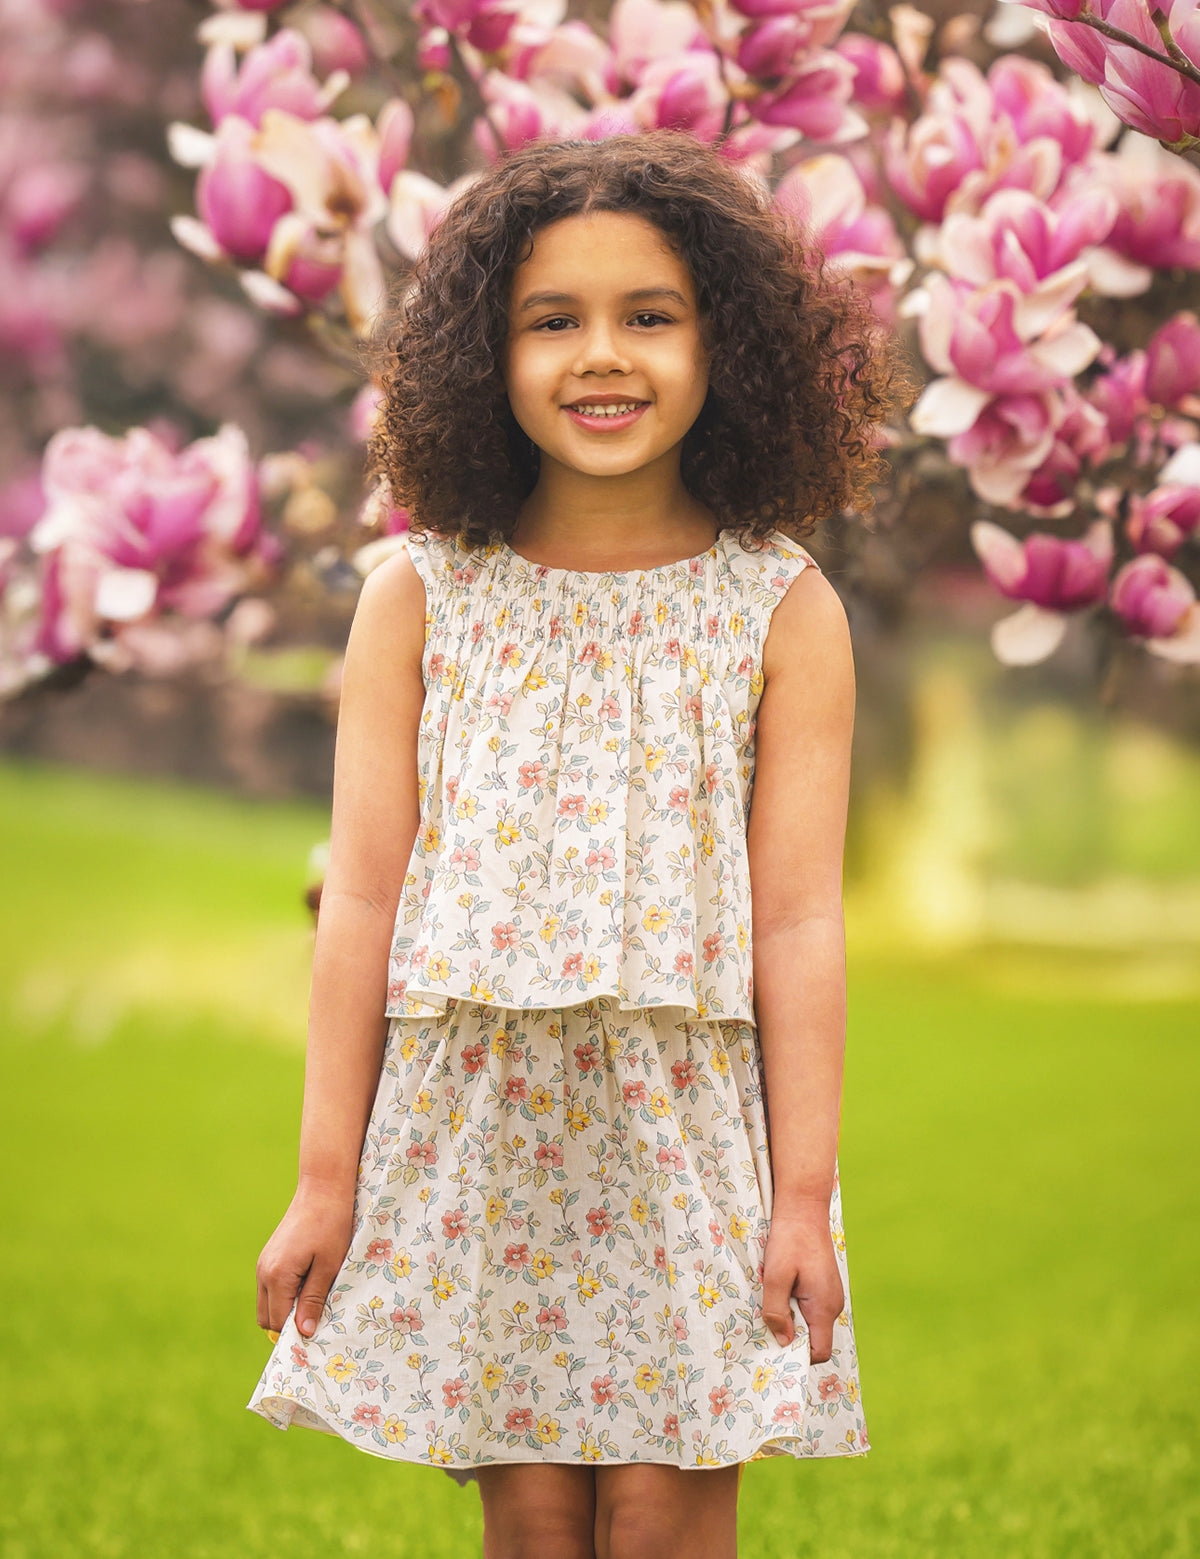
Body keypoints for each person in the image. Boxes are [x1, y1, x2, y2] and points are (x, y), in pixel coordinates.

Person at [247, 129, 913, 1558]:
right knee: (535, 1524)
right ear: (486, 354)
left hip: (684, 1141)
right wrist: (325, 1177)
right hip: (486, 1136)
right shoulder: (418, 599)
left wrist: (803, 1198)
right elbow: (361, 897)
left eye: (649, 317)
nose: (600, 357)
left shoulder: (781, 612)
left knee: (669, 1520)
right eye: (554, 320)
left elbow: (798, 925)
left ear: (725, 344)